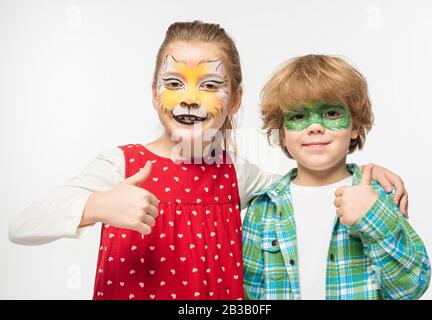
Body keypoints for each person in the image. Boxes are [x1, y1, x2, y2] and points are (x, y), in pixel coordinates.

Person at [9, 22, 409, 300]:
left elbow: (307, 177)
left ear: (234, 99)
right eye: (173, 84)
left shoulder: (239, 174)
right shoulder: (120, 165)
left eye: (211, 85)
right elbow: (21, 226)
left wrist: (368, 173)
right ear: (153, 94)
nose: (189, 98)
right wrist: (94, 206)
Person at [242, 54, 431, 300]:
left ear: (355, 126)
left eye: (331, 113)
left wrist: (373, 218)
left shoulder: (378, 196)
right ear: (282, 132)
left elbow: (410, 288)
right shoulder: (263, 208)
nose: (315, 127)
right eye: (299, 116)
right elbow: (250, 293)